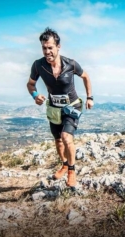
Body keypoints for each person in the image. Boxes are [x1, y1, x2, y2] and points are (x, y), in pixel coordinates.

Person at [26, 27, 93, 187]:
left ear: (58, 47)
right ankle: (64, 164)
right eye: (44, 48)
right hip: (54, 108)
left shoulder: (70, 64)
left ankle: (71, 170)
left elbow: (86, 76)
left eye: (50, 47)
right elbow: (30, 84)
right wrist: (35, 95)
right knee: (58, 140)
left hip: (72, 106)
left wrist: (89, 97)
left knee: (66, 137)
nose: (47, 51)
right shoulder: (38, 66)